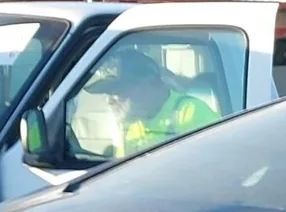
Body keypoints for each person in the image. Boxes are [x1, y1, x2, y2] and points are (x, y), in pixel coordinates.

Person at [85, 46, 219, 157]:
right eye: (107, 93)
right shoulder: (129, 124)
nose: (109, 100)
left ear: (148, 83)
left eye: (117, 91)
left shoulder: (191, 113)